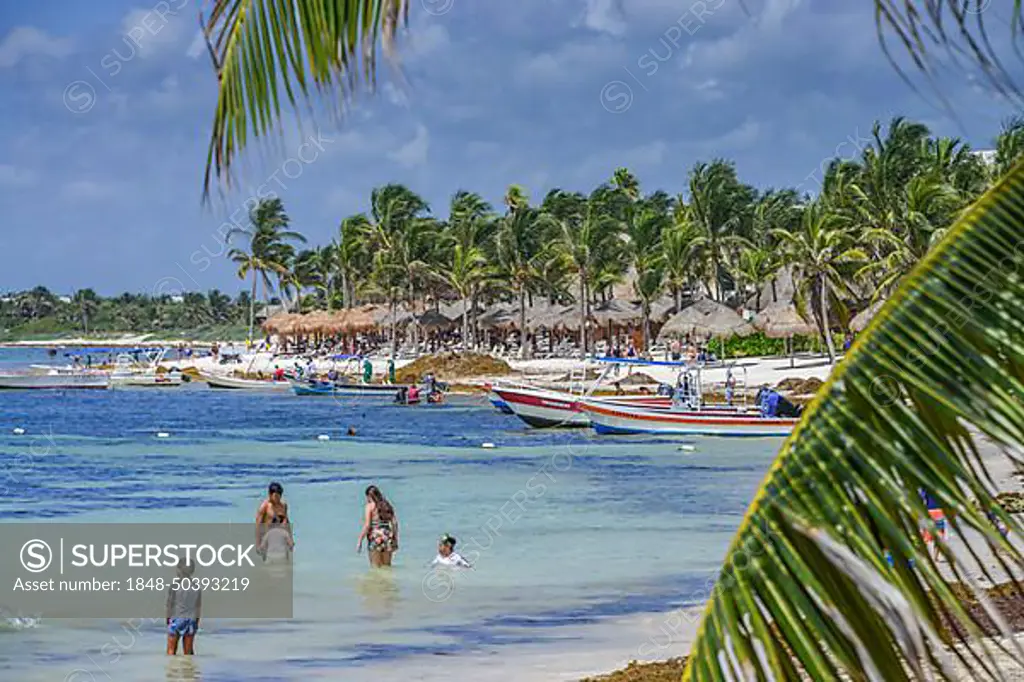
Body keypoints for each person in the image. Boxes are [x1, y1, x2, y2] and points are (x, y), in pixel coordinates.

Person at [166, 558, 201, 655]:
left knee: (171, 649)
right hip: (191, 619)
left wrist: (168, 619)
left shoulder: (175, 585)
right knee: (188, 651)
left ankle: (172, 669)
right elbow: (197, 606)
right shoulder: (196, 587)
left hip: (177, 619)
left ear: (180, 570)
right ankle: (189, 668)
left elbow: (170, 604)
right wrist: (197, 621)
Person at [357, 485, 399, 567]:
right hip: (387, 536)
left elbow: (367, 525)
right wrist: (395, 538)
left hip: (375, 537)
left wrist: (360, 540)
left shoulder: (369, 506)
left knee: (375, 567)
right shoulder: (386, 505)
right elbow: (395, 523)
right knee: (387, 566)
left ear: (369, 496)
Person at [256, 482, 291, 549]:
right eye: (275, 496)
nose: (277, 498)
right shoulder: (264, 507)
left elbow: (286, 523)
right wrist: (258, 544)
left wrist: (290, 539)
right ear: (270, 495)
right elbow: (258, 526)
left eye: (279, 496)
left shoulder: (283, 506)